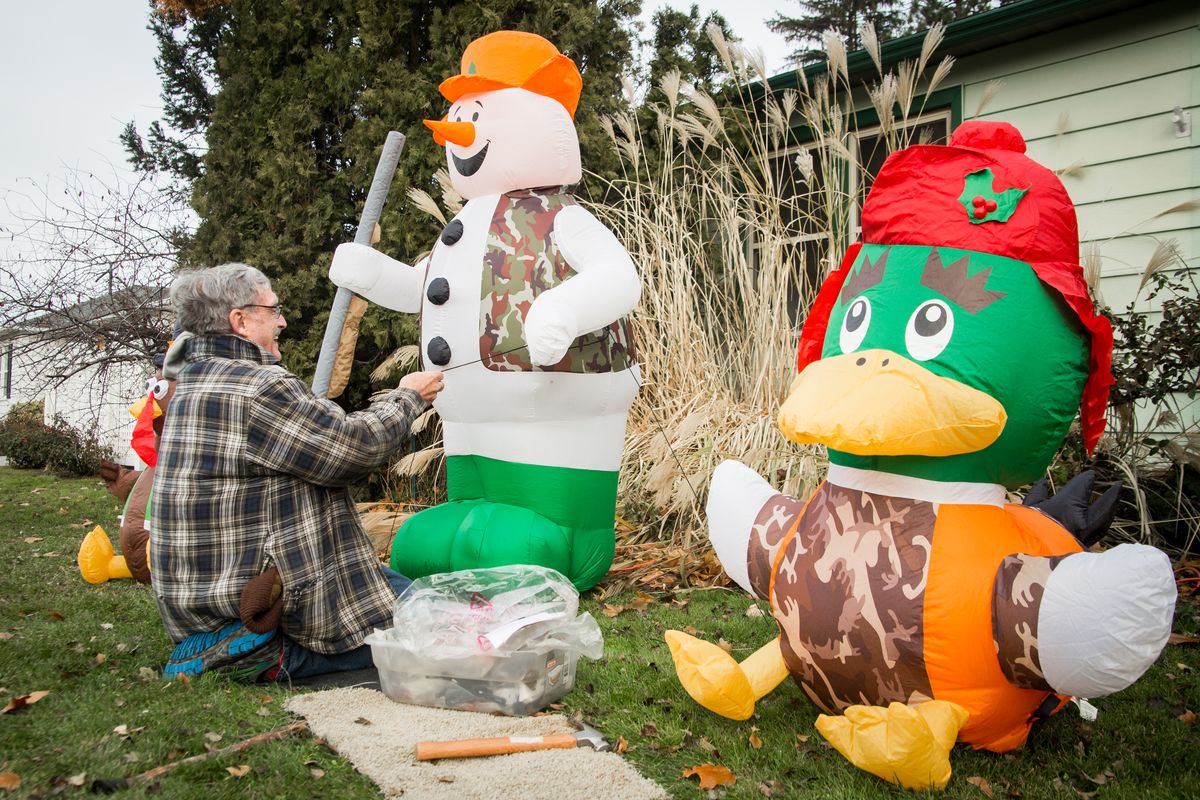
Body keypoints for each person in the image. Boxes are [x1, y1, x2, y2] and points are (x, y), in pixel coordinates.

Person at [149, 262, 444, 682]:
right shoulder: (258, 387)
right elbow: (351, 449)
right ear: (241, 321)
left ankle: (229, 643)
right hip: (259, 606)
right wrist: (408, 397)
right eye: (273, 309)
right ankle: (251, 656)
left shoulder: (195, 379)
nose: (283, 320)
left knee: (418, 598)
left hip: (206, 596)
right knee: (433, 633)